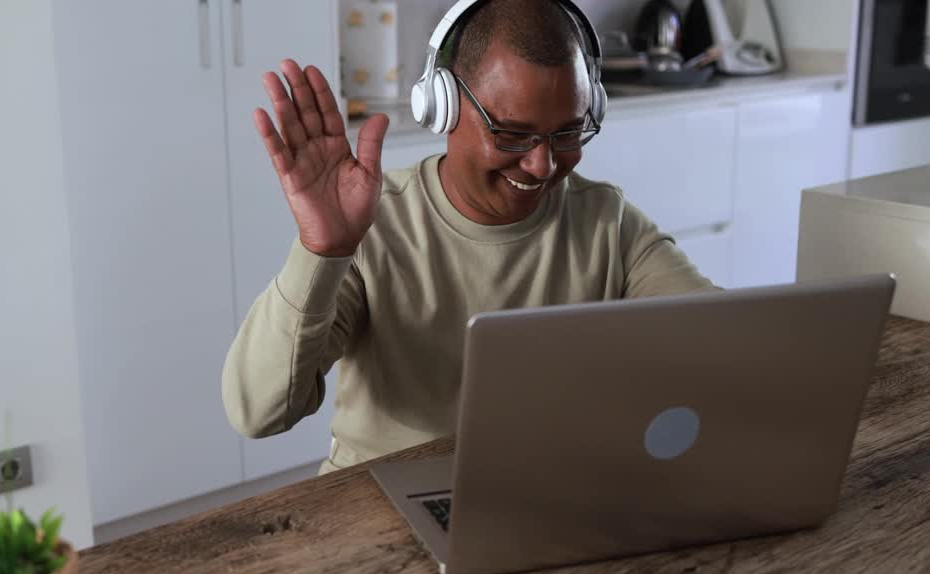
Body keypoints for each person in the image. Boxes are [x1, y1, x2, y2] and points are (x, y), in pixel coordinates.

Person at [223, 0, 718, 474]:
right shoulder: (373, 224)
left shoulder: (607, 223)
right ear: (441, 106)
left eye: (567, 133)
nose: (542, 165)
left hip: (542, 490)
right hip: (378, 500)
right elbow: (258, 412)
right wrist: (322, 250)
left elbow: (726, 341)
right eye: (512, 134)